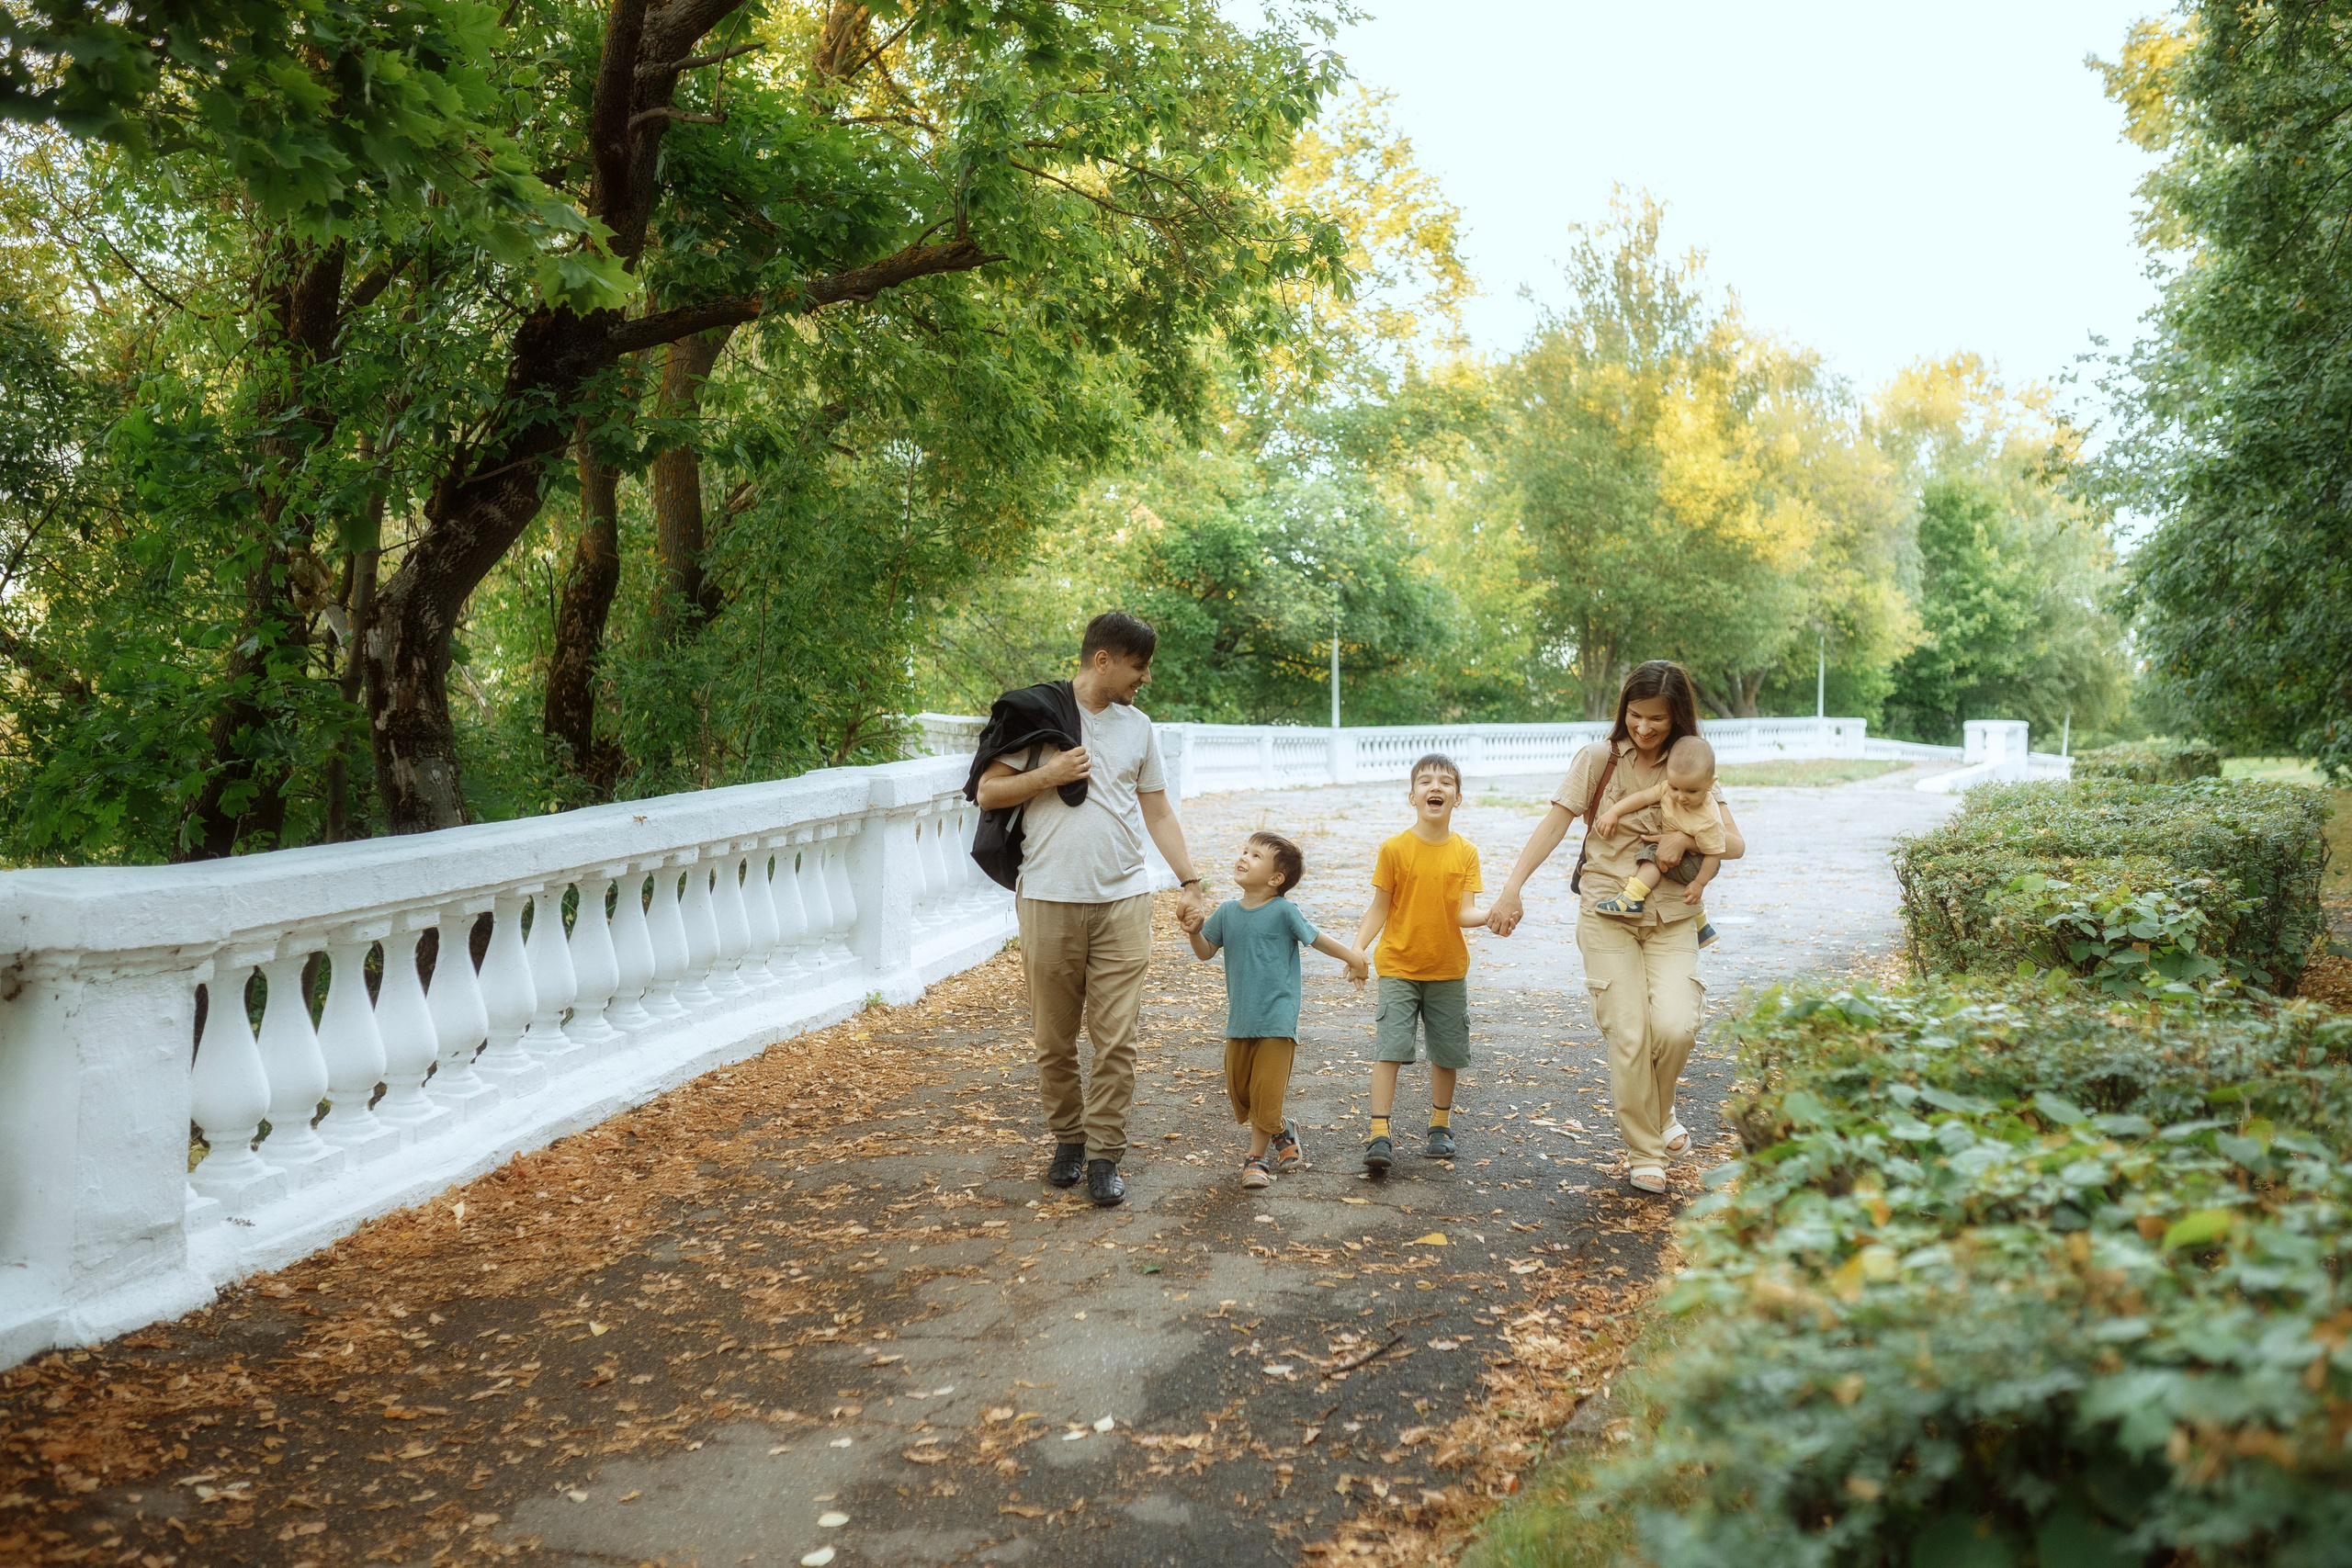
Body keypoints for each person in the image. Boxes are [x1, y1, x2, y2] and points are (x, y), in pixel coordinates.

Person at [1484, 661, 1747, 1196]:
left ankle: (1661, 1107)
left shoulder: (1693, 765)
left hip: (1672, 915)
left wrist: (1685, 842)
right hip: (1607, 911)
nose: (1644, 728)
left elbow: (1735, 842)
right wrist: (1512, 887)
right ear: (1622, 710)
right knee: (1629, 1033)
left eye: (1657, 719)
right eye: (1635, 715)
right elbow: (1556, 822)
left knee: (1675, 1025)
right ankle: (1644, 1149)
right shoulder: (1598, 759)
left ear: (1677, 719)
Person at [972, 612, 1208, 1208]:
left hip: (1123, 899)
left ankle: (1105, 1154)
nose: (1145, 678)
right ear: (1103, 659)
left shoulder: (1140, 728)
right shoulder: (1038, 716)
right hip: (1049, 897)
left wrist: (1190, 880)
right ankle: (1069, 1140)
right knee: (1054, 1039)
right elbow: (987, 791)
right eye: (1139, 665)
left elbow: (1157, 811)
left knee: (1116, 1037)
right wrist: (1048, 773)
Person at [1186, 831, 1370, 1190]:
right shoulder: (1226, 912)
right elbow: (1206, 950)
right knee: (1242, 1093)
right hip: (1241, 1019)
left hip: (1277, 1018)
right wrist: (1194, 931)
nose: (1244, 857)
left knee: (1265, 1092)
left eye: (1255, 856)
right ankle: (1283, 1129)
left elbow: (1317, 939)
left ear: (1275, 879)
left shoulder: (1284, 911)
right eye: (1244, 851)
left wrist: (1354, 957)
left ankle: (1255, 1159)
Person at [1352, 753, 1487, 1173]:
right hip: (1398, 966)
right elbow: (1379, 908)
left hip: (1448, 968)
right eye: (1426, 781)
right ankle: (1379, 1133)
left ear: (1457, 798)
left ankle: (1440, 1125)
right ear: (1412, 796)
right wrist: (1357, 950)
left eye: (1445, 782)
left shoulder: (1465, 853)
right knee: (1389, 1048)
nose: (1436, 787)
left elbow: (1465, 914)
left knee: (1446, 1052)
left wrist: (1494, 915)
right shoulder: (1395, 849)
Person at [1589, 733, 1724, 946]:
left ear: (1710, 784)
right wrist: (1613, 812)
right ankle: (1701, 926)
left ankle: (1632, 899)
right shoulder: (1668, 789)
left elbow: (1715, 854)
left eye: (1691, 791)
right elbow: (1642, 798)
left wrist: (1699, 883)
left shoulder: (1709, 818)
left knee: (1651, 854)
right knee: (1676, 880)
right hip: (1689, 856)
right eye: (1674, 788)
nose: (1680, 797)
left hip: (1702, 863)